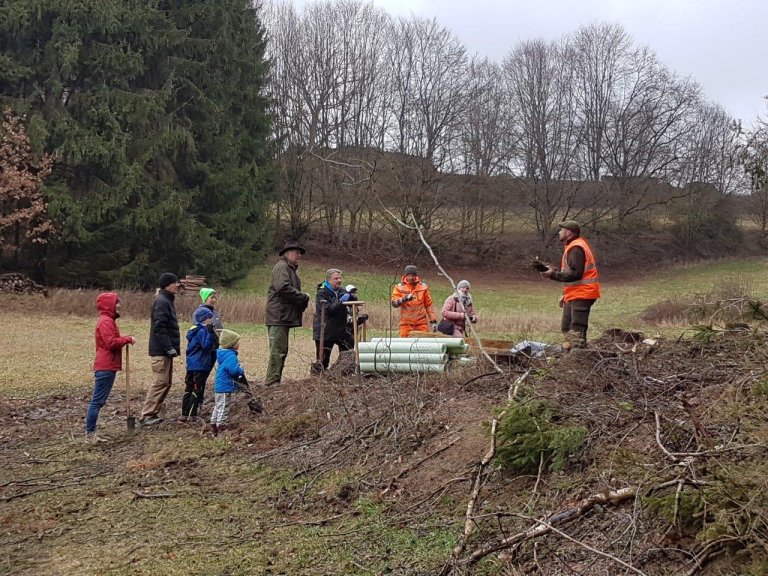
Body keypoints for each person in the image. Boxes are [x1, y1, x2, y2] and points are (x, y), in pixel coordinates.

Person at [540, 221, 601, 346]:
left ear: (568, 232)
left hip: (583, 293)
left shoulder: (576, 248)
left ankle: (578, 358)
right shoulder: (573, 246)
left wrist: (552, 275)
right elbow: (572, 273)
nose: (559, 232)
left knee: (576, 331)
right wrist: (565, 294)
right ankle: (570, 355)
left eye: (561, 230)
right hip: (574, 294)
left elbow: (576, 273)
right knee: (566, 328)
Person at [85, 292, 135, 443]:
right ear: (109, 305)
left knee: (99, 401)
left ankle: (92, 433)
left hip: (108, 365)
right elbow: (111, 343)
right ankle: (90, 434)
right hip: (105, 366)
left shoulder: (108, 321)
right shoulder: (106, 321)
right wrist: (127, 339)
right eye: (116, 303)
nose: (119, 306)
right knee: (97, 401)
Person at [265, 240, 311, 385]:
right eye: (297, 252)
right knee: (278, 351)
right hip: (279, 316)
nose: (299, 256)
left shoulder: (288, 269)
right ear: (288, 253)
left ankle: (274, 380)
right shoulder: (282, 267)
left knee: (281, 350)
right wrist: (303, 297)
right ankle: (272, 382)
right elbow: (283, 288)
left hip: (282, 316)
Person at [140, 272, 180, 426]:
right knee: (159, 382)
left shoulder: (167, 300)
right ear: (166, 284)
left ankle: (154, 412)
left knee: (166, 382)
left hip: (165, 351)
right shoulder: (162, 302)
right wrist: (168, 347)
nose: (177, 285)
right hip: (160, 352)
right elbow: (160, 327)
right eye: (174, 282)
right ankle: (147, 415)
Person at [180, 307, 217, 422]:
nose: (212, 320)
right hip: (199, 366)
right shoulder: (201, 331)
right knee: (196, 390)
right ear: (204, 319)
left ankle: (184, 414)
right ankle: (192, 415)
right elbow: (206, 346)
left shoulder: (195, 330)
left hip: (191, 365)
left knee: (188, 388)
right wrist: (211, 333)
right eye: (210, 318)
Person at [312, 269, 353, 371]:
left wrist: (351, 295)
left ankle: (340, 374)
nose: (339, 280)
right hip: (325, 331)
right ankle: (318, 381)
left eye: (340, 278)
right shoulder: (322, 293)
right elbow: (329, 309)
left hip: (340, 330)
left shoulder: (341, 290)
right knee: (323, 361)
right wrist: (342, 301)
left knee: (349, 351)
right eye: (336, 278)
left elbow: (354, 299)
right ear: (329, 280)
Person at [210, 329, 245, 435]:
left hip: (219, 386)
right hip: (225, 387)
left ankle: (213, 423)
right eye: (237, 342)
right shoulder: (231, 356)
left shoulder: (223, 354)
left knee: (218, 405)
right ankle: (221, 426)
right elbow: (233, 371)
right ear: (232, 344)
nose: (239, 344)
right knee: (224, 406)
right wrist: (241, 368)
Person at [391, 264, 437, 337]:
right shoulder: (399, 287)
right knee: (405, 346)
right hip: (405, 324)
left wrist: (433, 321)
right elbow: (394, 303)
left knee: (423, 345)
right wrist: (404, 299)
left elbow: (429, 305)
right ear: (405, 276)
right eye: (409, 275)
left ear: (416, 276)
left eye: (413, 275)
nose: (411, 278)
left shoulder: (423, 287)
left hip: (421, 323)